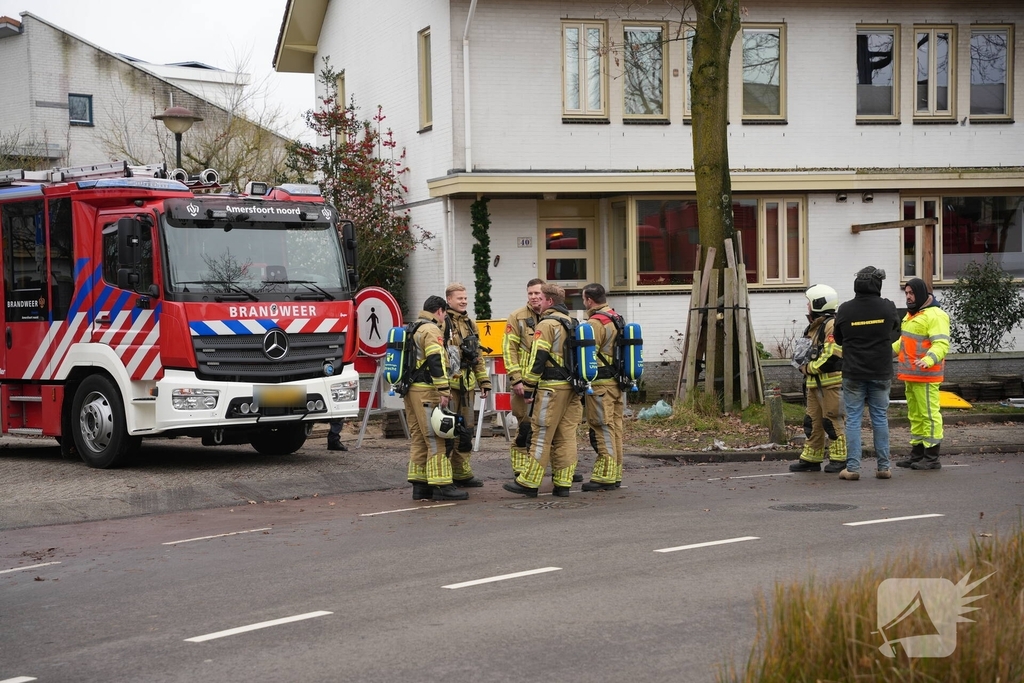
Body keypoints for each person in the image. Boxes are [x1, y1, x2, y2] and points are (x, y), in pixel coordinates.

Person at [503, 283, 583, 498]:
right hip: (572, 388)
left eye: (540, 296)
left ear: (549, 301)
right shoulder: (572, 322)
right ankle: (563, 484)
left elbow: (539, 358)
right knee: (566, 436)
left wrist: (528, 386)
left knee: (541, 434)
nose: (536, 299)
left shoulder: (547, 324)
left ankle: (529, 482)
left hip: (551, 388)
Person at [833, 267, 900, 480]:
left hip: (853, 371)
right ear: (877, 285)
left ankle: (852, 469)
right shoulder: (887, 307)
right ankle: (883, 467)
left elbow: (839, 339)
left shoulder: (845, 309)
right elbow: (895, 331)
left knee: (853, 418)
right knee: (880, 417)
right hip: (880, 371)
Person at [404, 295, 467, 501]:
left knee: (419, 437)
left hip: (411, 389)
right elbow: (435, 360)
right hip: (426, 390)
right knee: (435, 437)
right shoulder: (431, 330)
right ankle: (442, 484)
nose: (444, 319)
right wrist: (443, 389)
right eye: (444, 315)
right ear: (440, 311)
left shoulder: (412, 327)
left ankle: (420, 486)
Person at [893, 278, 950, 470]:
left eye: (911, 293)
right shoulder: (912, 315)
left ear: (921, 293)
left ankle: (931, 457)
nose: (908, 297)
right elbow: (903, 343)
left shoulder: (935, 315)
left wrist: (928, 360)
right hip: (911, 375)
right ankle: (917, 455)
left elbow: (941, 344)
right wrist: (881, 353)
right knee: (916, 416)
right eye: (906, 293)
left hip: (926, 375)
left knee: (929, 415)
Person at [789, 284, 847, 474]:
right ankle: (811, 458)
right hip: (815, 384)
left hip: (830, 383)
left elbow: (833, 354)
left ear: (818, 303)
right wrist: (802, 365)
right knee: (812, 421)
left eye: (809, 302)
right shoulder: (815, 326)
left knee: (832, 419)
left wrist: (809, 368)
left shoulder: (831, 325)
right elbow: (805, 352)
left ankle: (840, 458)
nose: (807, 306)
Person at [443, 283, 491, 487]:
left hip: (468, 384)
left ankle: (461, 472)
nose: (463, 301)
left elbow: (477, 355)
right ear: (449, 300)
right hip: (450, 386)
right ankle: (444, 473)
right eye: (459, 298)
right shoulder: (443, 323)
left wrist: (484, 381)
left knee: (466, 431)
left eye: (465, 297)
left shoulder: (471, 323)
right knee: (448, 431)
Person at [580, 283, 624, 491]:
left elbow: (589, 354)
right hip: (616, 382)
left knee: (602, 427)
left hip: (600, 385)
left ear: (589, 300)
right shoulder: (616, 317)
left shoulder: (596, 323)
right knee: (615, 428)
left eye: (584, 299)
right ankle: (615, 473)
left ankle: (605, 476)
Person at [502, 278, 546, 478]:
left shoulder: (552, 315)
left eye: (537, 293)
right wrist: (516, 379)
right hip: (524, 384)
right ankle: (520, 468)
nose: (534, 297)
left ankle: (543, 466)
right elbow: (509, 349)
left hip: (547, 382)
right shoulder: (517, 317)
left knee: (546, 426)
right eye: (530, 293)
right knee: (525, 428)